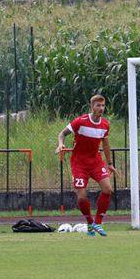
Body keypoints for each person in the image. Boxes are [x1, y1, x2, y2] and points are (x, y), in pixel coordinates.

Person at [55, 94, 118, 237]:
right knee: (82, 196)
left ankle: (98, 222)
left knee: (107, 189)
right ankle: (90, 223)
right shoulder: (80, 121)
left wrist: (110, 163)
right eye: (98, 105)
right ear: (92, 106)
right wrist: (60, 143)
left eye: (103, 105)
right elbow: (62, 133)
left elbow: (106, 144)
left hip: (95, 161)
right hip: (79, 163)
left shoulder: (105, 125)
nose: (101, 108)